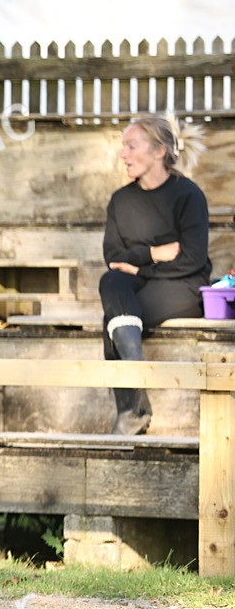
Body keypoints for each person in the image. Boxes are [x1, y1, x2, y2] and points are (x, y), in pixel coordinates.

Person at [99, 113, 210, 435]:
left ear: (159, 151)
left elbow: (192, 260)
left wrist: (139, 266)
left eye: (132, 146)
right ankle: (136, 385)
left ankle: (131, 410)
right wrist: (152, 255)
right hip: (138, 282)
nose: (123, 154)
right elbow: (113, 258)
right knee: (110, 281)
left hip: (183, 285)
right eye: (123, 146)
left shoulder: (188, 195)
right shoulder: (121, 200)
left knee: (114, 317)